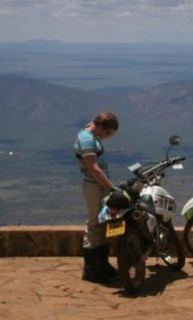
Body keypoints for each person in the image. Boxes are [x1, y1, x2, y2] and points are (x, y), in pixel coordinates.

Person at [74, 110, 119, 283]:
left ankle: (103, 264)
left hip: (99, 187)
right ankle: (91, 270)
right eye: (107, 133)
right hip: (94, 187)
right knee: (94, 224)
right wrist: (111, 188)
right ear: (99, 126)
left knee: (102, 224)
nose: (107, 137)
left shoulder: (91, 134)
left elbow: (91, 126)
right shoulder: (87, 141)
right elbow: (94, 169)